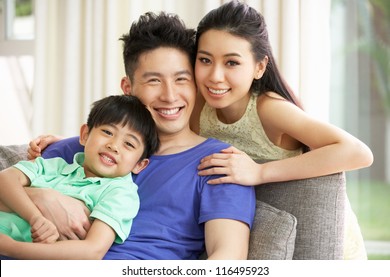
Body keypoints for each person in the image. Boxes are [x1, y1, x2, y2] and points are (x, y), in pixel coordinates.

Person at [25, 11, 256, 260]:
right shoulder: (80, 149)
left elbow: (227, 262)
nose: (169, 95)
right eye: (154, 81)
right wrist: (41, 197)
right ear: (128, 88)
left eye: (181, 79)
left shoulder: (221, 164)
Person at [189, 0, 374, 260]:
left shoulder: (269, 109)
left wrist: (260, 172)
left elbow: (358, 153)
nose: (215, 76)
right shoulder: (198, 104)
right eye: (205, 60)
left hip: (318, 239)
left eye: (231, 63)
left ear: (259, 67)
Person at [0, 95, 159, 259]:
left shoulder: (120, 193)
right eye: (107, 132)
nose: (114, 146)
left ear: (139, 164)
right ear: (85, 135)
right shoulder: (54, 166)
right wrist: (35, 217)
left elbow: (92, 251)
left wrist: (11, 248)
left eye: (129, 144)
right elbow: (5, 179)